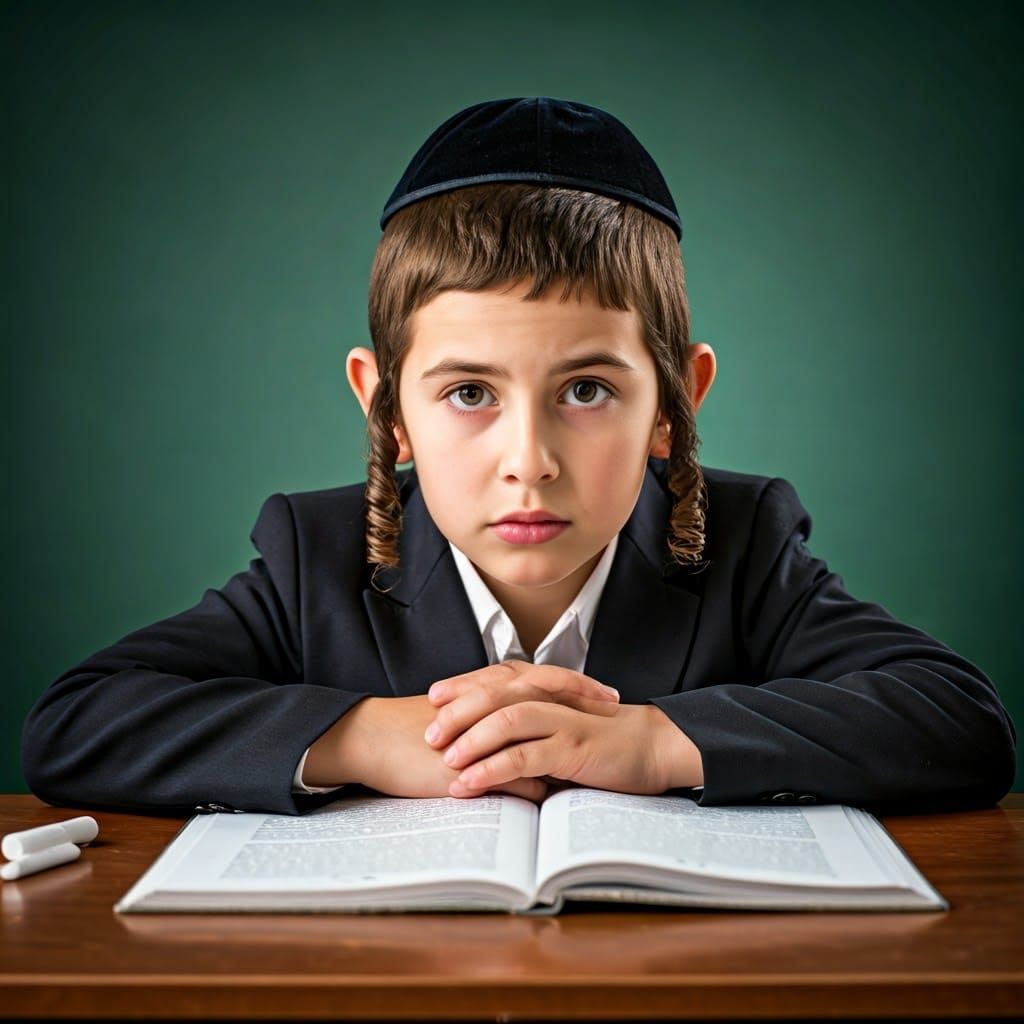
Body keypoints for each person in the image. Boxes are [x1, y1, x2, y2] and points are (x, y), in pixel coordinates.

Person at [21, 97, 1016, 818]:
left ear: (673, 404)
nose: (529, 461)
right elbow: (76, 722)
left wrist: (659, 741)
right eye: (469, 393)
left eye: (586, 390)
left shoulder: (744, 545)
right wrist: (362, 735)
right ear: (388, 409)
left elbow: (961, 721)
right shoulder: (314, 558)